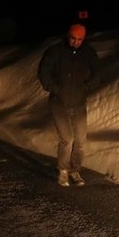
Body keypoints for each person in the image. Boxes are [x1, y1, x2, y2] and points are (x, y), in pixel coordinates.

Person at [38, 19, 101, 187]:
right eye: (73, 38)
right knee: (67, 139)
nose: (76, 42)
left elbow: (98, 72)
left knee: (81, 141)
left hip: (79, 104)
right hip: (59, 103)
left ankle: (75, 170)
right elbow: (44, 73)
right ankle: (63, 171)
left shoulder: (87, 52)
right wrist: (56, 89)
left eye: (79, 39)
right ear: (68, 36)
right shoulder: (55, 51)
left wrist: (87, 87)